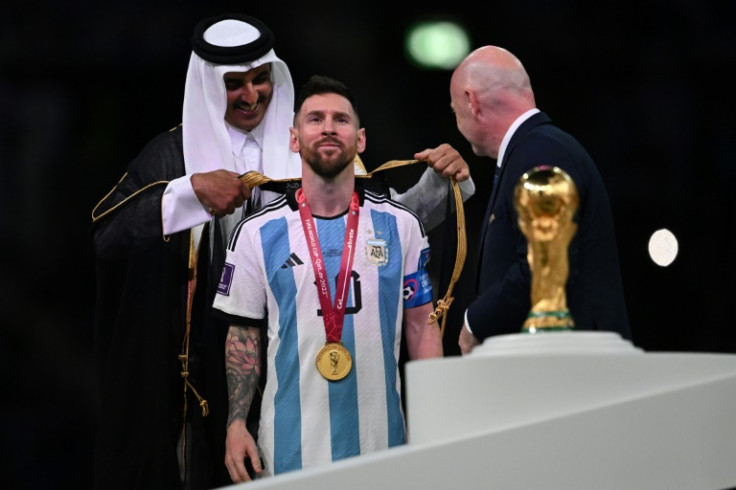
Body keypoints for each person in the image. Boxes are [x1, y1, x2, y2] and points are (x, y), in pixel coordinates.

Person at [90, 13, 472, 490]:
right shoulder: (173, 155)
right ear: (209, 85)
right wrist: (188, 194)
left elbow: (381, 228)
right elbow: (108, 232)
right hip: (199, 372)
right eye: (234, 84)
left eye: (260, 79)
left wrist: (444, 185)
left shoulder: (312, 144)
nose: (251, 95)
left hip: (296, 365)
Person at [212, 74, 444, 481]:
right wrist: (235, 423)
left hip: (383, 450)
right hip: (287, 453)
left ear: (361, 139)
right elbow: (243, 335)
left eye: (341, 119)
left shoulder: (401, 225)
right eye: (315, 119)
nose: (329, 128)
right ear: (294, 138)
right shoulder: (255, 232)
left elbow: (422, 325)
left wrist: (437, 420)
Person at [448, 45, 631, 354]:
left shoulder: (540, 154)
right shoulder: (539, 148)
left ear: (472, 102)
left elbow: (543, 264)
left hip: (568, 365)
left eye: (455, 111)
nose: (457, 122)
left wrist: (474, 323)